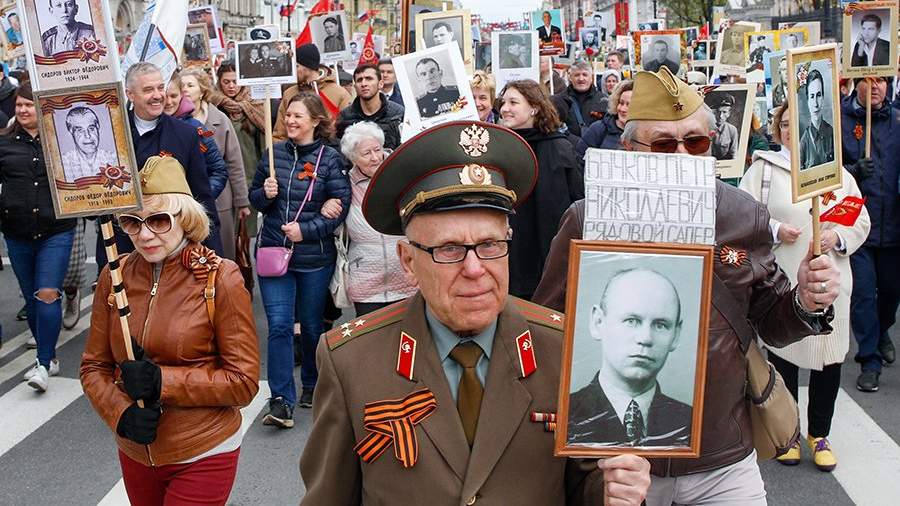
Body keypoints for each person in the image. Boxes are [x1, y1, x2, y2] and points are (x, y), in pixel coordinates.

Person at [299, 120, 652, 505]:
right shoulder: (351, 361)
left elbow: (585, 486)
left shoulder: (566, 350)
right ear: (409, 261)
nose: (474, 268)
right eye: (449, 249)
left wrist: (616, 493)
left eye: (489, 244)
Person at [533, 66, 841, 505]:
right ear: (628, 147)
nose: (682, 156)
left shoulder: (742, 212)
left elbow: (772, 321)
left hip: (722, 455)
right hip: (620, 461)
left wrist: (806, 301)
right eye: (663, 144)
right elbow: (548, 326)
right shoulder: (587, 218)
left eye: (695, 143)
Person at [80, 156, 260, 506]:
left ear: (184, 218)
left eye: (159, 220)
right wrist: (121, 414)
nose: (145, 234)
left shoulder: (219, 277)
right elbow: (93, 367)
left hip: (203, 448)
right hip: (136, 450)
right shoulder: (112, 277)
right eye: (133, 222)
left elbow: (244, 382)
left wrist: (163, 382)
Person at [740, 102, 870, 471]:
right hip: (785, 282)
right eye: (783, 124)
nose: (788, 130)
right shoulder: (764, 169)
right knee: (785, 360)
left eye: (794, 124)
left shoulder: (836, 173)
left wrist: (837, 237)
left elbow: (860, 218)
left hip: (830, 281)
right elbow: (745, 217)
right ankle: (790, 432)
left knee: (829, 360)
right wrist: (777, 230)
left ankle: (821, 433)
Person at [248, 92, 350, 424]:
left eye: (298, 116)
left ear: (316, 121)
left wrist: (307, 230)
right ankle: (280, 399)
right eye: (288, 115)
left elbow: (340, 207)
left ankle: (311, 382)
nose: (290, 121)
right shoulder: (273, 154)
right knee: (278, 327)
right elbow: (256, 200)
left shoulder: (330, 159)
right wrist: (265, 193)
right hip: (274, 254)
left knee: (309, 326)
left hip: (314, 258)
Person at [0, 81, 75, 391]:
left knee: (47, 294)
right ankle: (51, 355)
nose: (23, 109)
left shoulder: (61, 141)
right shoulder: (4, 143)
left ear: (43, 107)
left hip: (56, 231)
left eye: (29, 104)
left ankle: (42, 365)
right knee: (32, 299)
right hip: (16, 233)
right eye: (19, 105)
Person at [568, 269, 692, 448]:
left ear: (676, 334)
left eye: (660, 325)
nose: (645, 338)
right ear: (598, 322)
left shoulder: (690, 423)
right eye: (631, 321)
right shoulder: (566, 413)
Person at [122, 62, 221, 255]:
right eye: (148, 90)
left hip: (176, 248)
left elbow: (201, 196)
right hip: (126, 246)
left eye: (160, 88)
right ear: (130, 94)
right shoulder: (111, 133)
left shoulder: (186, 134)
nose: (158, 95)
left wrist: (212, 252)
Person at [840, 76, 900, 392]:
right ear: (856, 84)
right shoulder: (840, 119)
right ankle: (869, 360)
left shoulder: (897, 119)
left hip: (894, 225)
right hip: (857, 225)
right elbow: (825, 168)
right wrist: (853, 171)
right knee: (863, 294)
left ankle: (882, 328)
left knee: (891, 292)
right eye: (868, 81)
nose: (875, 86)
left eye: (882, 80)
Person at [499, 79, 582, 299]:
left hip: (549, 251)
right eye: (503, 102)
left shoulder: (561, 147)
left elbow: (577, 201)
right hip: (510, 251)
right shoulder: (500, 146)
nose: (504, 108)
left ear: (534, 108)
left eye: (513, 102)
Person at [334, 122, 416, 315]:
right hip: (365, 279)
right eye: (366, 154)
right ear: (353, 158)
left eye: (377, 150)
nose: (374, 158)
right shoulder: (345, 184)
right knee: (371, 339)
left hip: (406, 276)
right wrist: (329, 205)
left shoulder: (400, 174)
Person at [181, 68, 251, 261]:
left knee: (222, 252)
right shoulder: (175, 121)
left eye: (190, 85)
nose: (185, 89)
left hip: (220, 198)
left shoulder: (219, 119)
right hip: (187, 199)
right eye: (182, 86)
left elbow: (234, 163)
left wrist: (242, 201)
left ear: (202, 90)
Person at [210, 62, 267, 232]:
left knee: (246, 234)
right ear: (219, 82)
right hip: (222, 179)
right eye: (226, 82)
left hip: (249, 177)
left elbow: (264, 147)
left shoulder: (254, 106)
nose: (231, 86)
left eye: (235, 81)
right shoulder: (213, 108)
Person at [162, 72, 228, 201]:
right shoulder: (146, 127)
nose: (169, 102)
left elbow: (218, 171)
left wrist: (199, 201)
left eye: (174, 96)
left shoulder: (195, 128)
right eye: (165, 96)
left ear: (181, 95)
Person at [274, 44, 351, 141]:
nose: (293, 71)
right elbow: (279, 134)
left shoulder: (339, 93)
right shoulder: (289, 94)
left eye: (296, 66)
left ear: (308, 66)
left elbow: (349, 133)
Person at [336, 64, 405, 149]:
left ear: (380, 84)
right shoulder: (345, 117)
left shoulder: (398, 113)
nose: (364, 84)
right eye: (359, 80)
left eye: (369, 79)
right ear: (355, 86)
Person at [575, 79, 632, 162]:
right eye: (621, 103)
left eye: (629, 105)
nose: (623, 109)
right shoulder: (598, 129)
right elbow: (579, 159)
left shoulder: (646, 135)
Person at [59, 106, 119, 183]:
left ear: (98, 127)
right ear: (71, 132)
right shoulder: (62, 163)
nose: (87, 135)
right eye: (80, 130)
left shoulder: (114, 159)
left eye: (91, 128)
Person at [800, 69, 834, 170]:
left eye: (818, 95)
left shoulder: (832, 133)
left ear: (823, 97)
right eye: (811, 96)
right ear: (807, 100)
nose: (815, 103)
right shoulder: (804, 142)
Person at [562, 60, 605, 137]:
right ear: (570, 78)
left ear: (591, 77)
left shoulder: (603, 100)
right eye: (577, 75)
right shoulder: (560, 100)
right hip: (568, 146)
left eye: (585, 75)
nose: (581, 79)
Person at [710, 93, 738, 160]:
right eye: (717, 112)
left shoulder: (732, 130)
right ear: (712, 112)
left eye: (724, 112)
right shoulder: (704, 128)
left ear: (729, 113)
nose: (720, 116)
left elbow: (733, 155)